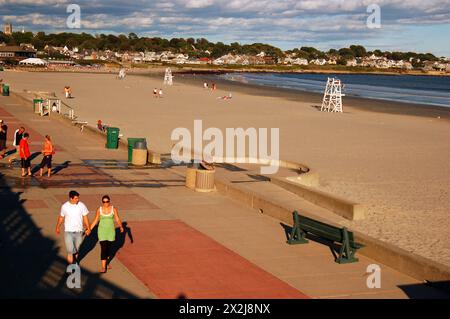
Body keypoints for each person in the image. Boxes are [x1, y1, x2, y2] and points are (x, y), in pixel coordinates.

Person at [90, 195, 124, 273]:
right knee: (103, 248)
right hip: (102, 231)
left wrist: (121, 226)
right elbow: (95, 220)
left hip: (110, 231)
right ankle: (103, 267)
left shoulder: (113, 209)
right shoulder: (99, 209)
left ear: (109, 201)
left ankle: (106, 262)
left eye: (107, 201)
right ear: (102, 202)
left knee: (109, 248)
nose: (106, 203)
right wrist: (89, 229)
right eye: (104, 202)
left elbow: (117, 218)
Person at [56, 191, 91, 265]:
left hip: (79, 231)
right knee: (70, 251)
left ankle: (75, 261)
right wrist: (58, 227)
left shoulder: (81, 205)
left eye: (78, 198)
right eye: (76, 198)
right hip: (68, 231)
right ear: (70, 198)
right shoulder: (65, 206)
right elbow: (61, 217)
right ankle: (70, 268)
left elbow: (85, 217)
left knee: (76, 250)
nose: (77, 200)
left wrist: (88, 228)